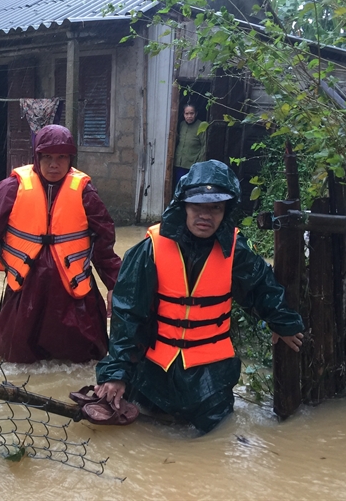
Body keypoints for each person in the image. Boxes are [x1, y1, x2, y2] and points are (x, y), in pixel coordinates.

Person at [94, 160, 304, 434]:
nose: (205, 215)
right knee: (145, 434)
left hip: (212, 378)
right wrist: (116, 373)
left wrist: (283, 322)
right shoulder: (150, 250)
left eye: (215, 207)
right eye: (197, 206)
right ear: (183, 206)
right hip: (154, 374)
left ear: (226, 210)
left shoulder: (236, 250)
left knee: (216, 437)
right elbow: (127, 315)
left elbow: (261, 287)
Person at [0, 124, 121, 364]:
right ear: (37, 157)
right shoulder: (11, 189)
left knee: (85, 360)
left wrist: (113, 284)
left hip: (72, 292)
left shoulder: (85, 192)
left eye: (61, 157)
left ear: (70, 159)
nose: (54, 164)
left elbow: (104, 243)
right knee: (14, 357)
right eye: (47, 157)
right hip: (26, 290)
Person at [173, 104, 206, 187]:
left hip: (192, 165)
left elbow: (204, 145)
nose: (189, 116)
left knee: (190, 187)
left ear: (196, 113)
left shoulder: (201, 126)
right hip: (179, 163)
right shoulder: (182, 125)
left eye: (192, 113)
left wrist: (199, 163)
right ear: (183, 114)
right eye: (186, 114)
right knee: (179, 185)